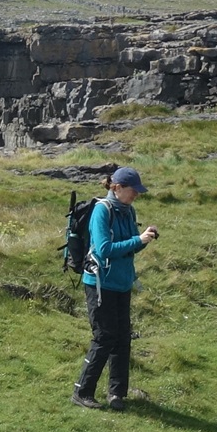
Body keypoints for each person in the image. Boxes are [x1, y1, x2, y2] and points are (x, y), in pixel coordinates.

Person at [73, 167, 158, 411]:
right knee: (104, 337)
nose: (136, 195)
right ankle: (82, 392)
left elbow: (131, 247)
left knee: (122, 338)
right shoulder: (102, 210)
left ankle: (116, 394)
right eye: (133, 190)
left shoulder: (128, 210)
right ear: (117, 187)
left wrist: (145, 239)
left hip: (121, 283)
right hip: (100, 284)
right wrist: (137, 240)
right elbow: (104, 250)